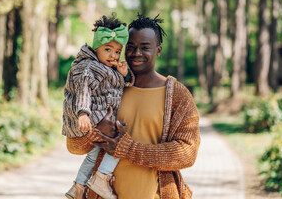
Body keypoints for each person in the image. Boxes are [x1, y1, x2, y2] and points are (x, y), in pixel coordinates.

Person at [65, 14, 200, 199]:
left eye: (145, 47)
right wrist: (94, 131)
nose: (136, 53)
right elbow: (74, 147)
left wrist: (128, 148)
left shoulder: (178, 95)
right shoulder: (105, 86)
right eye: (130, 47)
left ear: (158, 50)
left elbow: (187, 153)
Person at [62, 14, 134, 199]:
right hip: (94, 117)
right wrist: (83, 112)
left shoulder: (105, 67)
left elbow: (115, 89)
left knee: (94, 153)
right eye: (108, 49)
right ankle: (102, 178)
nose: (113, 55)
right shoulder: (89, 67)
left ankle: (78, 187)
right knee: (120, 143)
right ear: (96, 48)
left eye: (117, 51)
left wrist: (124, 75)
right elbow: (83, 90)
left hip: (100, 117)